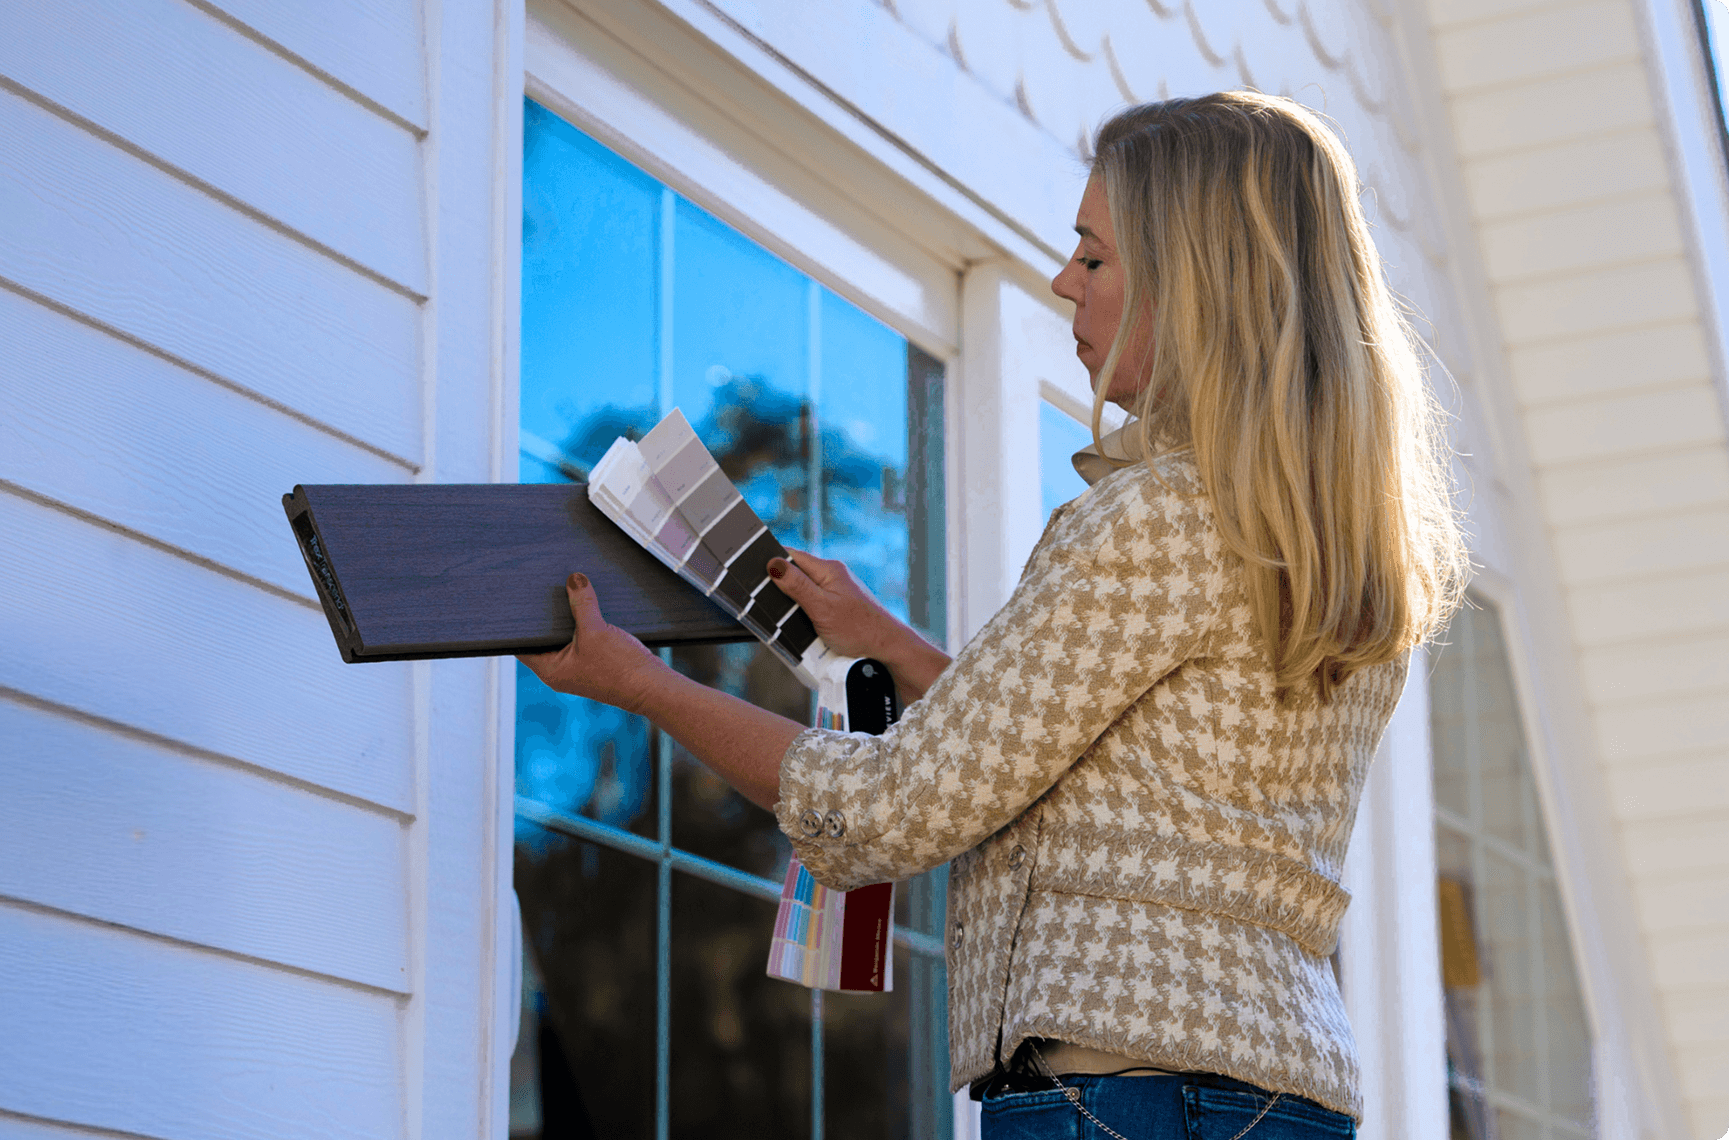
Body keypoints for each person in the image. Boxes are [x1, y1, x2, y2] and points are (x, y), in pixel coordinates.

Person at [518, 90, 1465, 1138]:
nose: (1066, 282)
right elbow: (1121, 760)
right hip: (1284, 1097)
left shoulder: (1153, 515)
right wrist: (897, 650)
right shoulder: (1325, 550)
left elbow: (887, 808)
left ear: (1192, 281)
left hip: (1117, 1101)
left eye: (1094, 258)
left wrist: (638, 684)